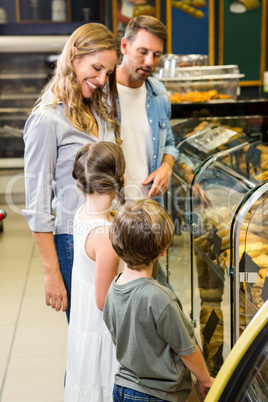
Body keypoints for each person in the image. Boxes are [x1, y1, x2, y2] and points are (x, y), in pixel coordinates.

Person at [22, 23, 120, 321]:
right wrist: (52, 274)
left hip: (112, 234)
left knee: (111, 341)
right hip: (72, 240)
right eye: (96, 67)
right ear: (74, 55)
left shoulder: (99, 112)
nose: (102, 79)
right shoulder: (47, 120)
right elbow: (37, 207)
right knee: (88, 337)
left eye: (108, 73)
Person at [103, 199, 214, 401]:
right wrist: (205, 379)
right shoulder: (160, 298)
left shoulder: (114, 287)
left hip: (122, 388)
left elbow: (119, 342)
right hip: (156, 395)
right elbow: (187, 350)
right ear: (163, 250)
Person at [64, 141, 126, 402]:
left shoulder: (84, 212)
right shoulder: (105, 236)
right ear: (119, 177)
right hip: (103, 331)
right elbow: (104, 301)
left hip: (84, 320)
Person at [116, 15, 178, 202]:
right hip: (110, 211)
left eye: (156, 55)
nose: (150, 62)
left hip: (149, 210)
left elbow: (169, 144)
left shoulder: (158, 93)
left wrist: (166, 167)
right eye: (142, 52)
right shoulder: (100, 92)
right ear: (125, 46)